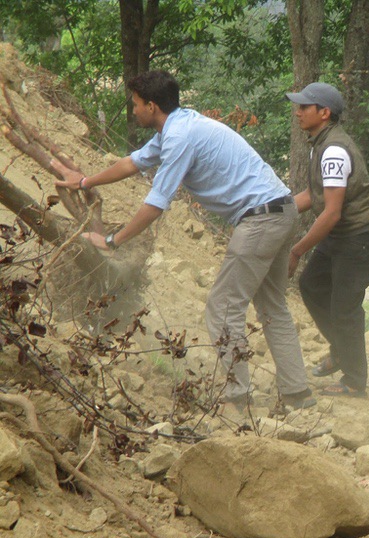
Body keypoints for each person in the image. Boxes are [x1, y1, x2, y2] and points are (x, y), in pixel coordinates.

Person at [54, 70, 313, 413]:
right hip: (283, 210)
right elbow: (133, 162)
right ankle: (297, 395)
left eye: (135, 104)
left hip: (260, 219)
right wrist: (85, 181)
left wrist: (112, 240)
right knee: (272, 305)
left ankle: (238, 400)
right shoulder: (179, 125)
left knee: (223, 307)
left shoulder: (180, 138)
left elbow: (156, 204)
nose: (133, 111)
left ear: (152, 105)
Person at [285, 82, 369, 398]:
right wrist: (274, 210)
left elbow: (330, 214)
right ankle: (342, 351)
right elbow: (313, 196)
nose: (298, 112)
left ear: (324, 112)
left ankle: (355, 381)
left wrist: (297, 250)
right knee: (312, 285)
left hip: (360, 236)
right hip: (344, 233)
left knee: (345, 307)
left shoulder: (333, 152)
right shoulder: (321, 143)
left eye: (304, 107)